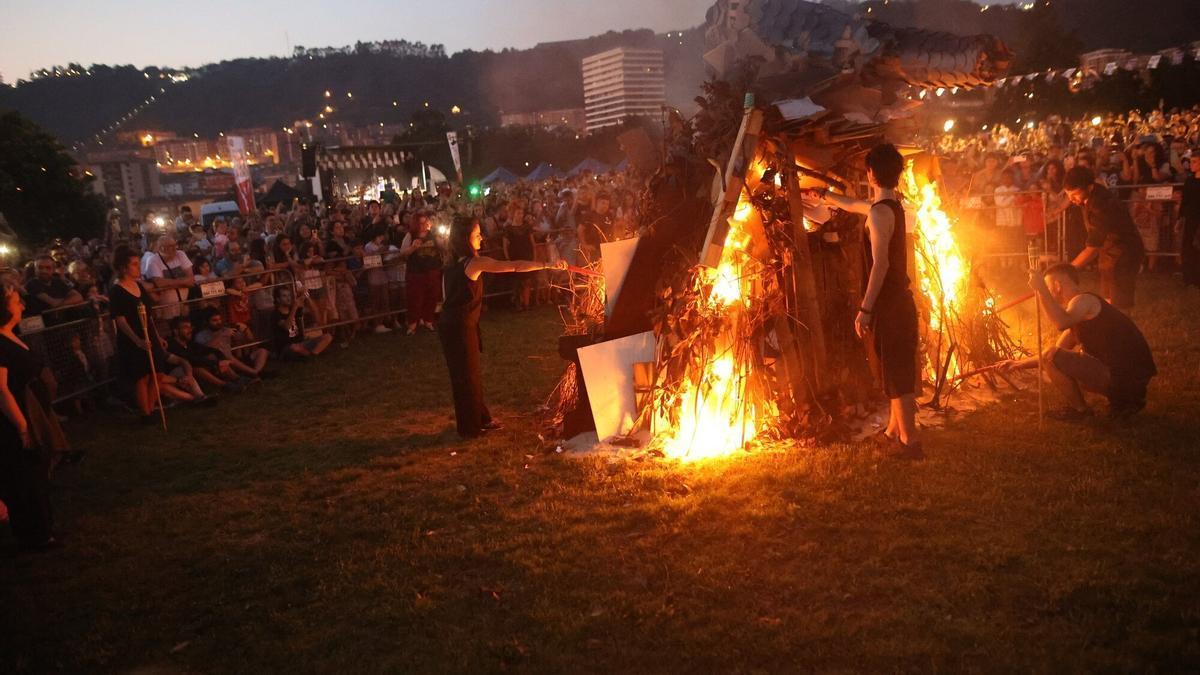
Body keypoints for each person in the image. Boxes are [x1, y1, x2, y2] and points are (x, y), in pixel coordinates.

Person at [806, 143, 922, 459]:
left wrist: (865, 308)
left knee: (897, 373)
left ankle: (910, 443)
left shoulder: (881, 214)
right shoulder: (887, 207)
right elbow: (858, 205)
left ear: (870, 173)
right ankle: (894, 432)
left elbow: (881, 264)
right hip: (896, 303)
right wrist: (825, 196)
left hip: (889, 304)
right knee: (893, 369)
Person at [438, 215, 567, 438]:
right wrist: (547, 264)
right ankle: (469, 428)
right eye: (476, 234)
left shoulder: (452, 264)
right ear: (464, 239)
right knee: (464, 377)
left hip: (456, 324)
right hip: (458, 326)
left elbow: (445, 297)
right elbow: (513, 267)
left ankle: (481, 418)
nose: (481, 237)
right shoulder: (474, 263)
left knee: (470, 374)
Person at [999, 263, 1156, 419]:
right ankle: (1125, 403)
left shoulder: (1084, 300)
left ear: (1057, 285)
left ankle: (1082, 411)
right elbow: (1051, 357)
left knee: (1054, 356)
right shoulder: (1079, 315)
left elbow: (1060, 323)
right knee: (1053, 359)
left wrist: (1041, 290)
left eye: (1048, 287)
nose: (1048, 292)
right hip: (1131, 380)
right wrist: (1017, 364)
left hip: (1127, 378)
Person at [0, 281, 66, 551]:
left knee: (38, 472)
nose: (22, 305)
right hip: (16, 418)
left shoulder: (10, 334)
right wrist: (22, 425)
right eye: (16, 302)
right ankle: (34, 534)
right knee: (24, 477)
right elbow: (1, 388)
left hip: (32, 411)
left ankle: (43, 527)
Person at [1065, 167, 1145, 309]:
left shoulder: (1101, 205)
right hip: (1109, 252)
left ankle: (1123, 329)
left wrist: (1069, 270)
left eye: (1075, 194)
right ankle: (1110, 326)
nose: (1071, 199)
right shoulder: (1090, 195)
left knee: (1119, 301)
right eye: (1068, 195)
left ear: (1089, 187)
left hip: (1123, 254)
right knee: (1108, 296)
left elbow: (1092, 248)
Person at [400, 212, 443, 334]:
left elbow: (442, 248)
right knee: (415, 298)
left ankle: (428, 320)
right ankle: (413, 323)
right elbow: (403, 253)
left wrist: (443, 241)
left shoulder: (433, 234)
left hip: (432, 270)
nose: (424, 225)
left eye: (426, 222)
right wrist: (413, 248)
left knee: (432, 296)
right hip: (416, 272)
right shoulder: (410, 235)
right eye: (421, 223)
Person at [1180, 150, 1200, 287]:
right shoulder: (1189, 181)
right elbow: (1185, 201)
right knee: (1188, 248)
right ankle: (1189, 278)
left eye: (1194, 161)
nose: (1191, 164)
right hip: (1190, 219)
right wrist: (1180, 218)